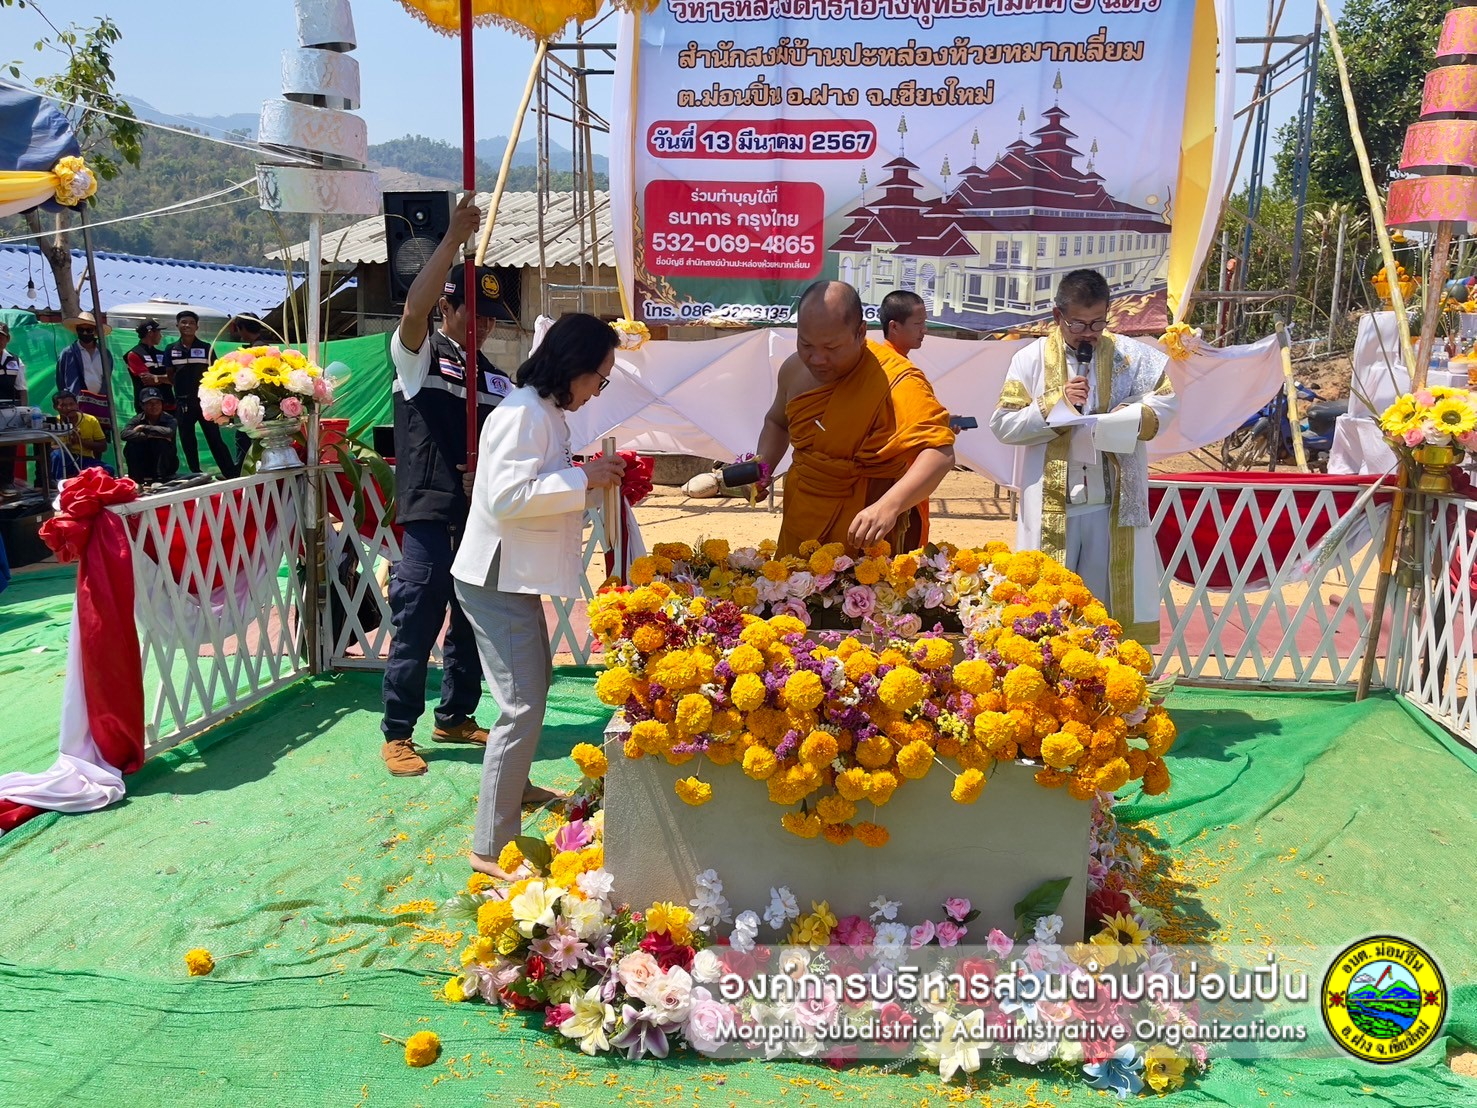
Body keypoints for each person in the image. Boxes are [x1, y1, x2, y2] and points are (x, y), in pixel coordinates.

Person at [452, 312, 625, 879]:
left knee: (532, 689)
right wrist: (584, 479)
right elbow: (506, 497)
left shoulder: (541, 410)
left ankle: (515, 786)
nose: (598, 389)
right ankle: (490, 845)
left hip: (510, 574)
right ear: (572, 367)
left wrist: (583, 474)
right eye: (599, 378)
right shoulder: (525, 412)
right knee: (522, 703)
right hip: (496, 576)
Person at [381, 193, 515, 778]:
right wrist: (454, 241)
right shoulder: (418, 356)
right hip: (430, 512)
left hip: (479, 517)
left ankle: (456, 715)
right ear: (448, 309)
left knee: (470, 620)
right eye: (468, 312)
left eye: (488, 317)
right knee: (418, 614)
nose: (478, 325)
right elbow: (413, 309)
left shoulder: (502, 381)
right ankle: (398, 732)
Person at [990, 269, 1179, 644]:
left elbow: (1164, 407)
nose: (1088, 333)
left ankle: (1106, 682)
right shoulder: (1029, 360)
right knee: (1049, 610)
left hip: (1110, 506)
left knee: (1102, 610)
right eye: (1078, 323)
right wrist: (1053, 405)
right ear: (1058, 316)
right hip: (1052, 505)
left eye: (1097, 322)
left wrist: (1122, 418)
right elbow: (1004, 425)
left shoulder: (1133, 357)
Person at [753, 280, 956, 556]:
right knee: (792, 595)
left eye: (832, 348)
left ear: (861, 332)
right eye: (806, 344)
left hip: (866, 532)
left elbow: (939, 452)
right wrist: (762, 469)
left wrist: (889, 506)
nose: (817, 359)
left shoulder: (896, 379)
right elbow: (777, 422)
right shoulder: (794, 369)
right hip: (801, 520)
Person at [878, 289, 935, 544]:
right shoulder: (885, 366)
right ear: (894, 326)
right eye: (918, 324)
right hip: (894, 473)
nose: (924, 330)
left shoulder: (898, 364)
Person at [164, 310, 237, 478]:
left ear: (197, 326)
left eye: (190, 322)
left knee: (214, 438)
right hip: (183, 403)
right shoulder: (170, 349)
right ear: (177, 326)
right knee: (188, 440)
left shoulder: (206, 348)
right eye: (183, 322)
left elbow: (215, 372)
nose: (187, 325)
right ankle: (196, 474)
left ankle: (230, 473)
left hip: (205, 402)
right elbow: (170, 374)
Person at [55, 311, 115, 443]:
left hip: (100, 404)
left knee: (98, 441)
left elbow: (107, 377)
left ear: (95, 331)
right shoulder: (68, 353)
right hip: (76, 406)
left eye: (89, 330)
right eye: (81, 330)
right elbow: (61, 381)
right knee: (76, 440)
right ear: (76, 331)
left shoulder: (105, 353)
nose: (85, 333)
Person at [121, 387, 180, 483]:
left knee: (161, 443)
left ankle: (159, 479)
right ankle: (136, 480)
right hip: (144, 464)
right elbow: (124, 434)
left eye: (157, 403)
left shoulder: (170, 419)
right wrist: (149, 436)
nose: (154, 406)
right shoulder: (137, 419)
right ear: (142, 405)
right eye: (149, 403)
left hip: (166, 465)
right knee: (131, 445)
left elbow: (169, 432)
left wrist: (144, 427)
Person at [50, 390, 109, 481]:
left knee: (108, 470)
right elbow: (49, 448)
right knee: (58, 455)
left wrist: (80, 441)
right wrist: (65, 447)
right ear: (55, 407)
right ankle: (60, 483)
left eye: (72, 404)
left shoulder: (90, 420)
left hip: (85, 460)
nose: (69, 408)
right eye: (63, 405)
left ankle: (79, 479)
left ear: (77, 404)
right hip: (64, 461)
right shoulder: (53, 423)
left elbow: (103, 446)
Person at [124, 319, 174, 413]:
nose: (161, 336)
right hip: (148, 408)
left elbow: (175, 378)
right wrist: (166, 378)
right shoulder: (134, 354)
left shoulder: (162, 354)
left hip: (169, 405)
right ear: (150, 333)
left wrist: (156, 378)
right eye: (159, 332)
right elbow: (147, 380)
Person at [0, 320, 26, 497]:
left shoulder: (15, 360)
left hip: (10, 411)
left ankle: (6, 482)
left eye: (1, 337)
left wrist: (24, 412)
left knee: (9, 448)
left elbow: (22, 388)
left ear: (7, 339)